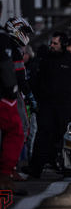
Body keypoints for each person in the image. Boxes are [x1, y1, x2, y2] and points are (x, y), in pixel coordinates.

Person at [27, 31, 71, 177]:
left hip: (65, 106)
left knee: (66, 137)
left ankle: (68, 168)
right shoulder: (45, 59)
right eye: (51, 43)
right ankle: (35, 169)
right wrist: (33, 99)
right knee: (43, 135)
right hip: (46, 105)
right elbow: (34, 81)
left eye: (55, 43)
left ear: (63, 44)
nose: (52, 45)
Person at [5, 17, 37, 181]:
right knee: (20, 129)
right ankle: (10, 169)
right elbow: (20, 77)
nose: (26, 36)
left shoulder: (6, 44)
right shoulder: (14, 49)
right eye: (24, 32)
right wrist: (30, 96)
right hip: (12, 94)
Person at [0, 15, 26, 194]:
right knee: (17, 130)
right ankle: (6, 173)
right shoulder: (8, 44)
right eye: (22, 31)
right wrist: (13, 90)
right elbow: (14, 73)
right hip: (6, 94)